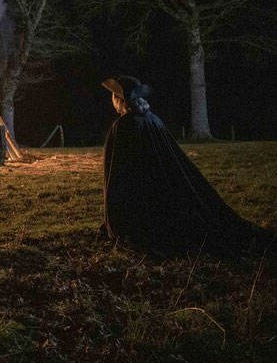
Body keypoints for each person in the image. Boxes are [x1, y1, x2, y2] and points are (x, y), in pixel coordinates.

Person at [102, 76, 274, 257]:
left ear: (119, 99)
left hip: (147, 206)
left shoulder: (124, 125)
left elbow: (119, 175)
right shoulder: (153, 119)